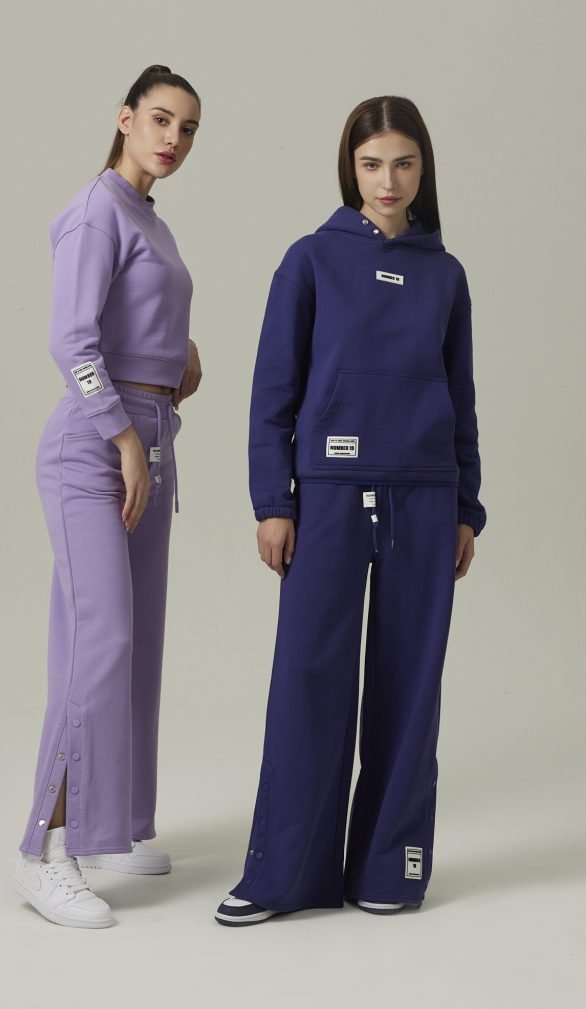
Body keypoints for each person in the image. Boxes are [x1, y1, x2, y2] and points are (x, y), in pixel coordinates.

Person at [215, 94, 486, 926]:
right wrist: (274, 500)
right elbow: (273, 391)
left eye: (403, 163)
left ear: (423, 168)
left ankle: (389, 870)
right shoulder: (309, 260)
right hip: (327, 498)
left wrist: (466, 507)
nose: (387, 181)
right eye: (371, 164)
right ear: (350, 168)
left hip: (425, 499)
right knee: (309, 678)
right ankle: (283, 875)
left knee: (410, 685)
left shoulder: (446, 274)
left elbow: (461, 398)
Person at [10, 65, 202, 928]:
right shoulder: (97, 209)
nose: (173, 139)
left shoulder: (148, 217)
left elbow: (139, 323)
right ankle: (44, 850)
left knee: (139, 645)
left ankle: (106, 828)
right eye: (160, 120)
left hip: (151, 440)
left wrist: (178, 362)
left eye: (187, 128)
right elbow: (71, 340)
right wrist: (124, 436)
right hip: (96, 449)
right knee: (100, 642)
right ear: (125, 119)